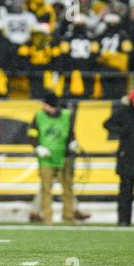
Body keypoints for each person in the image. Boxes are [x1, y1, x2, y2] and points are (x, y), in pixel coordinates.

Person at [27, 91, 78, 225]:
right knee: (46, 189)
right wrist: (37, 146)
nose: (44, 107)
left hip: (64, 156)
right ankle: (48, 218)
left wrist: (73, 142)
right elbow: (32, 134)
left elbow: (70, 133)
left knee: (67, 188)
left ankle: (68, 216)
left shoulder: (67, 116)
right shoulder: (39, 116)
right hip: (46, 158)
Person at [103, 87, 134, 226]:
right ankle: (124, 220)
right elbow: (107, 124)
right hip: (127, 158)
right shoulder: (124, 112)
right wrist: (124, 132)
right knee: (125, 192)